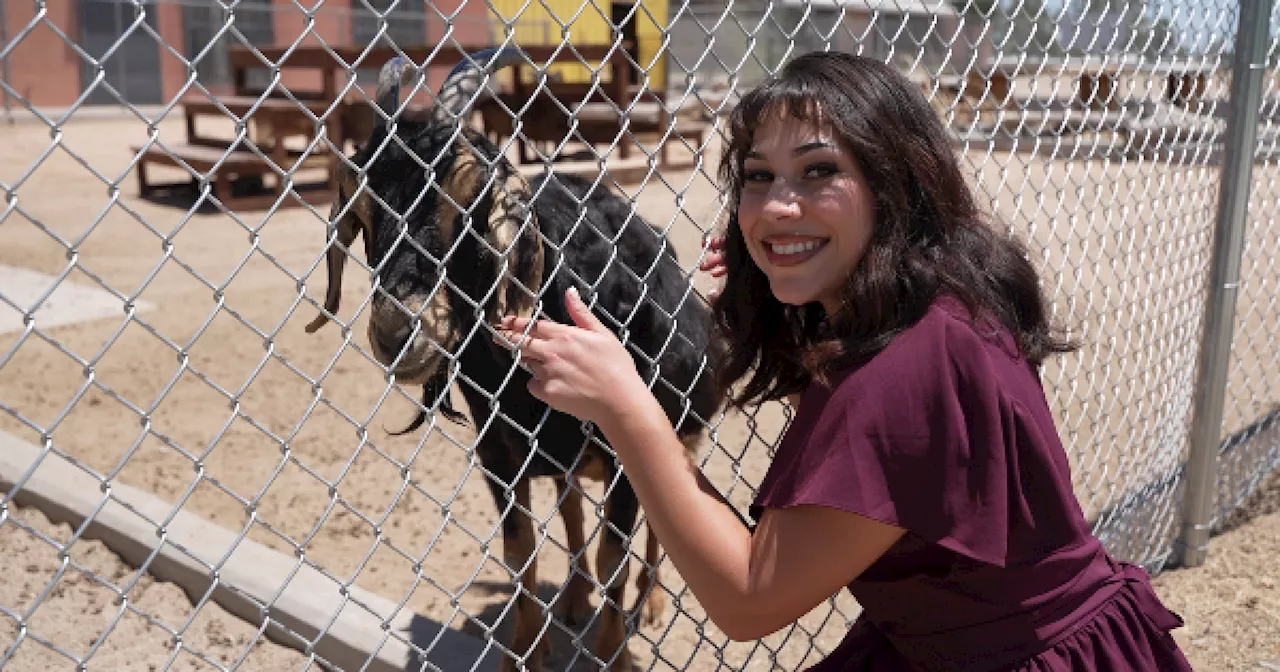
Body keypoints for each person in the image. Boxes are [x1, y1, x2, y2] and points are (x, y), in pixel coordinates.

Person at [494, 51, 1194, 671]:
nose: (776, 207)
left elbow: (747, 600)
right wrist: (801, 282)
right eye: (758, 178)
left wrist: (627, 407)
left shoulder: (907, 374)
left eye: (819, 171)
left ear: (896, 184)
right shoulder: (947, 296)